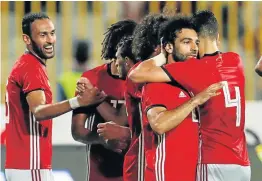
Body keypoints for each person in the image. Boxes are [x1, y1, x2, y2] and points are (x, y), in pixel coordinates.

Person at [129, 10, 251, 181]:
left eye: (194, 42)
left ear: (199, 40)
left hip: (213, 160)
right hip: (242, 163)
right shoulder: (236, 60)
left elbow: (136, 74)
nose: (193, 48)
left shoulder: (193, 70)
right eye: (187, 42)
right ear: (217, 37)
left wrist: (163, 55)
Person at [4, 12, 105, 181]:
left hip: (24, 164)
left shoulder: (26, 65)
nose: (50, 40)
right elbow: (39, 111)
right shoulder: (31, 68)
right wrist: (78, 101)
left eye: (52, 33)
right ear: (27, 39)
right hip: (31, 165)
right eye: (43, 35)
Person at [71, 20, 137, 181]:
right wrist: (101, 139)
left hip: (135, 171)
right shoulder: (92, 77)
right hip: (99, 174)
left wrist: (95, 98)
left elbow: (120, 120)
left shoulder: (140, 78)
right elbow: (77, 131)